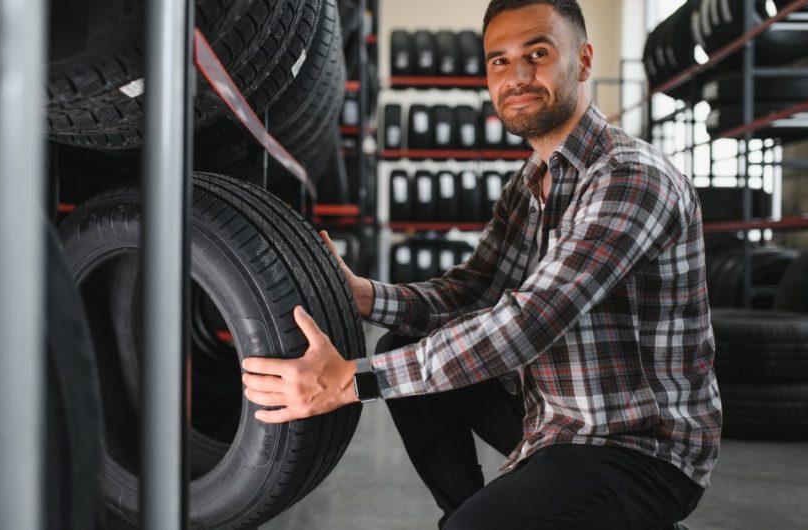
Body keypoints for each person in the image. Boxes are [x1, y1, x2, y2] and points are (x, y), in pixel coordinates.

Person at [241, 0, 723, 528]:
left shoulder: (629, 179)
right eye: (499, 60)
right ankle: (474, 513)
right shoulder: (531, 183)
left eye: (537, 53)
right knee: (403, 343)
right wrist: (361, 294)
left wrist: (349, 382)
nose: (516, 76)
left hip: (638, 445)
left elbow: (530, 321)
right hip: (553, 418)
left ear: (583, 62)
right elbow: (470, 294)